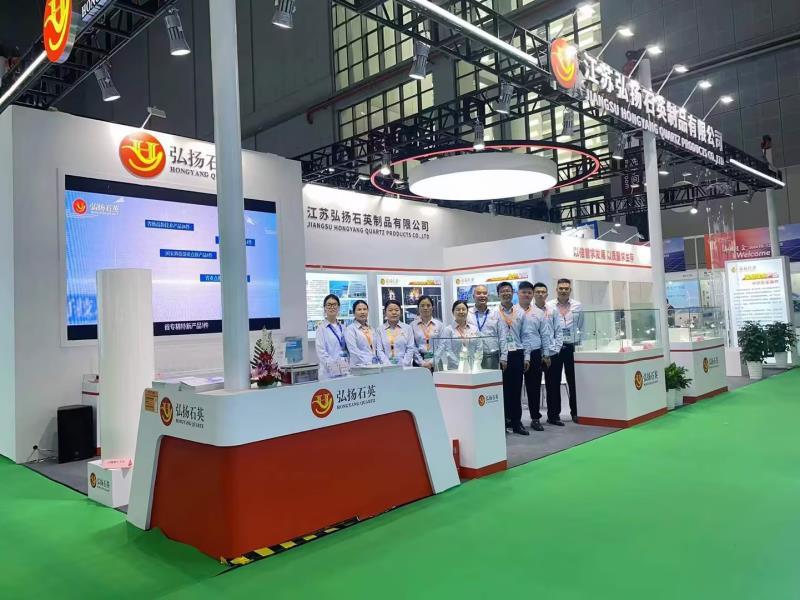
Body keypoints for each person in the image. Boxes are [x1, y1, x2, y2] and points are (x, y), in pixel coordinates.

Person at [517, 281, 553, 432]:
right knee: (515, 388)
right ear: (518, 294)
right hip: (517, 353)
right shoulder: (513, 312)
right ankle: (514, 420)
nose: (526, 295)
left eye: (529, 292)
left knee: (534, 387)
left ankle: (535, 418)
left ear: (532, 295)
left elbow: (545, 334)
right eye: (523, 292)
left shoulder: (539, 313)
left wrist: (546, 354)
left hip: (535, 352)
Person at [547, 279, 584, 425]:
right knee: (553, 382)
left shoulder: (578, 305)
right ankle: (553, 415)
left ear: (570, 290)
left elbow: (581, 326)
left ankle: (575, 412)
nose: (563, 291)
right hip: (554, 348)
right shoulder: (549, 305)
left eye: (566, 288)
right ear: (556, 289)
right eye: (561, 288)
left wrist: (580, 346)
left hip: (571, 347)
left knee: (574, 381)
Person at [497, 281, 530, 436]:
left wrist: (527, 356)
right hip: (501, 355)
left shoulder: (520, 312)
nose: (506, 293)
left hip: (517, 353)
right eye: (503, 291)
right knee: (502, 390)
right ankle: (503, 422)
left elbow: (526, 335)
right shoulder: (494, 313)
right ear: (498, 294)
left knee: (516, 390)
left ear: (513, 293)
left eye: (508, 290)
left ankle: (517, 422)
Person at [531, 282, 563, 428]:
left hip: (552, 352)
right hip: (536, 352)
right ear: (533, 294)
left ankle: (554, 416)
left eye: (543, 292)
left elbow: (558, 330)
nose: (540, 294)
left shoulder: (552, 310)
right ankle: (535, 418)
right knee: (534, 386)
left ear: (547, 294)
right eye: (537, 292)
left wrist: (555, 348)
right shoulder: (528, 311)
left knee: (554, 385)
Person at [314, 294, 350, 380]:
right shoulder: (321, 329)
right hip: (328, 373)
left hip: (344, 370)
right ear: (324, 308)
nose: (332, 307)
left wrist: (345, 366)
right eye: (329, 305)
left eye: (334, 304)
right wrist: (335, 367)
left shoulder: (343, 327)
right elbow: (321, 353)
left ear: (338, 307)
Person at [345, 300, 391, 367]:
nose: (362, 312)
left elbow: (376, 349)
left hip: (374, 366)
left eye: (365, 309)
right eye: (359, 309)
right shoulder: (350, 329)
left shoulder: (372, 329)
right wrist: (368, 364)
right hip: (360, 367)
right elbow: (353, 352)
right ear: (354, 313)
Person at [467, 284, 500, 369]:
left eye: (484, 293)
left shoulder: (495, 313)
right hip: (473, 355)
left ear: (488, 296)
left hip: (492, 354)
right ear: (473, 296)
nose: (482, 295)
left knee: (492, 377)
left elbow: (501, 334)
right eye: (478, 293)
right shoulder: (467, 314)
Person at [440, 300, 479, 370]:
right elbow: (448, 351)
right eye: (458, 310)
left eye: (463, 309)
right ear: (453, 312)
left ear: (467, 312)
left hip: (472, 367)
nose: (461, 312)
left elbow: (479, 348)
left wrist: (476, 363)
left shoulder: (474, 329)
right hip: (455, 368)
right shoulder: (448, 330)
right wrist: (460, 365)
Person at [378, 299, 416, 366]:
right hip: (387, 367)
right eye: (390, 310)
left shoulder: (407, 328)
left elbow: (410, 348)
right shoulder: (380, 330)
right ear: (385, 312)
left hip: (405, 367)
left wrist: (404, 364)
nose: (394, 312)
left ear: (400, 312)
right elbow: (379, 350)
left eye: (396, 310)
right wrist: (388, 365)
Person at [411, 295, 444, 370]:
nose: (425, 308)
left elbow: (442, 345)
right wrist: (421, 362)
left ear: (432, 308)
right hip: (419, 362)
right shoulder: (412, 325)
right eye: (422, 306)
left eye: (428, 305)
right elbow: (412, 346)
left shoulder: (439, 325)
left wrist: (432, 362)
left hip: (436, 361)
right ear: (418, 308)